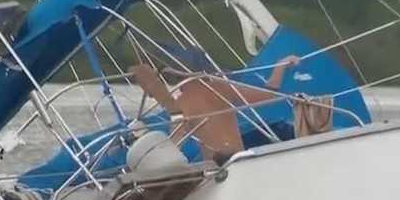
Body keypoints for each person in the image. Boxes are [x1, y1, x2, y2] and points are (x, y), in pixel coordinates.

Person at [128, 55, 301, 164]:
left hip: (217, 165)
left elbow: (174, 146)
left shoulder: (182, 104)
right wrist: (280, 66)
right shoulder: (222, 88)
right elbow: (270, 94)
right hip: (241, 159)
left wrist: (140, 137)